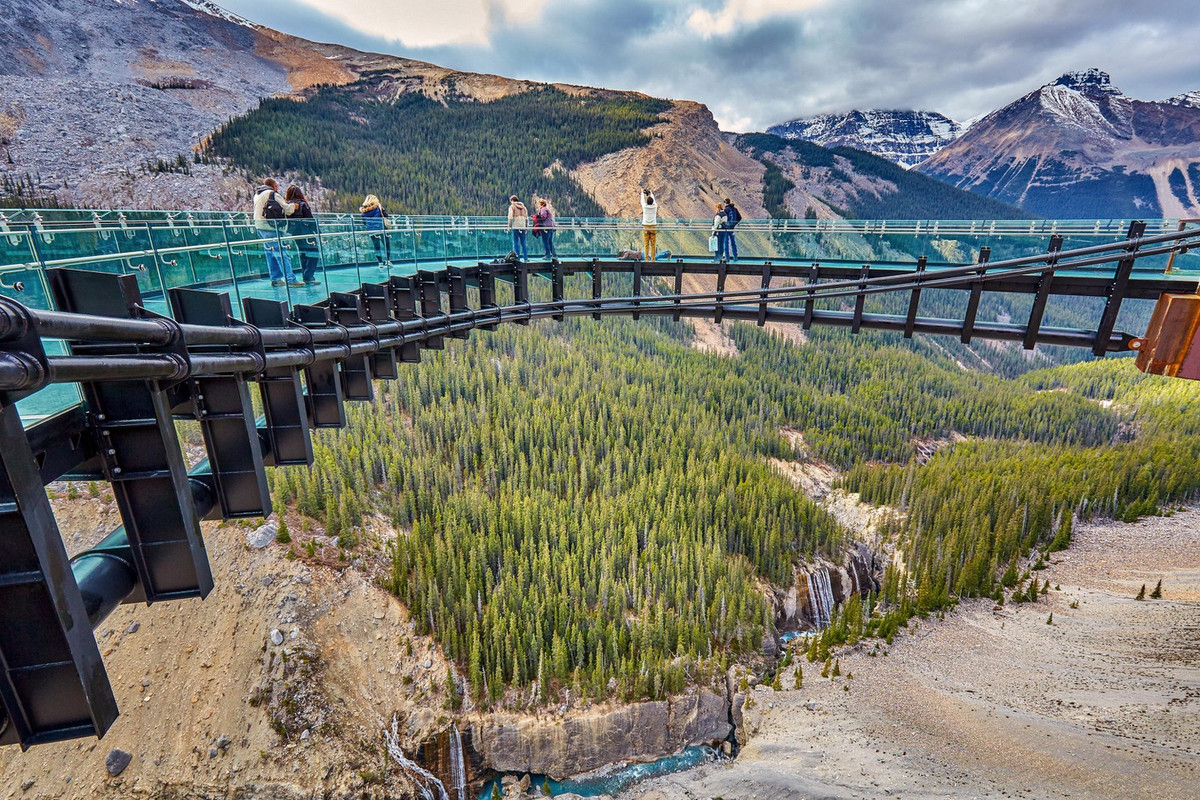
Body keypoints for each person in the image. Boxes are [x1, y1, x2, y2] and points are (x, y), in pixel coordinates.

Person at [253, 178, 302, 287]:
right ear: (274, 185)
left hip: (260, 226)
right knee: (282, 253)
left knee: (270, 253)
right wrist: (294, 206)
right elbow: (287, 209)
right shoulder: (273, 194)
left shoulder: (257, 194)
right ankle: (291, 279)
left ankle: (276, 278)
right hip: (271, 228)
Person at [285, 185, 320, 285]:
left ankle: (306, 275)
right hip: (306, 232)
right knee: (314, 253)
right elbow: (310, 219)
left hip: (295, 233)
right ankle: (309, 276)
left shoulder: (288, 205)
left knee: (303, 252)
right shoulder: (303, 205)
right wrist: (317, 231)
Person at [360, 194, 391, 266]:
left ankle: (380, 263)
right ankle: (387, 261)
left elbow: (364, 222)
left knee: (376, 246)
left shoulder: (363, 211)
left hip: (371, 231)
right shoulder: (378, 207)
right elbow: (386, 215)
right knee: (387, 244)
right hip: (381, 229)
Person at [507, 195, 529, 261]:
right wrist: (526, 227)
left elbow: (510, 217)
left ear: (511, 201)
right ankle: (526, 258)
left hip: (515, 227)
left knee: (515, 243)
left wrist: (509, 226)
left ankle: (517, 259)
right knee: (523, 243)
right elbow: (527, 218)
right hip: (522, 227)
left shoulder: (512, 207)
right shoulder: (524, 207)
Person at [640, 188, 658, 262]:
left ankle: (647, 259)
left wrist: (642, 193)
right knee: (653, 244)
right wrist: (651, 194)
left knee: (646, 244)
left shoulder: (644, 207)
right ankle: (653, 259)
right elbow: (654, 201)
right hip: (653, 227)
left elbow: (642, 201)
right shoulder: (655, 207)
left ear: (647, 202)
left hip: (646, 226)